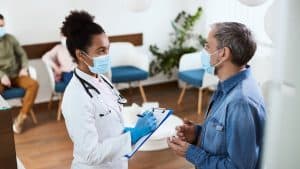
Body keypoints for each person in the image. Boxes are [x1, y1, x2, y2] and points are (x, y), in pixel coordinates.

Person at [61, 11, 157, 169]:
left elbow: (109, 119)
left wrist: (127, 130)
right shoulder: (75, 97)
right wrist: (131, 137)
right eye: (101, 51)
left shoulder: (102, 79)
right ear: (80, 55)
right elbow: (90, 154)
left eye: (108, 49)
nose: (107, 55)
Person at [167, 22, 266, 169]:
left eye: (207, 46)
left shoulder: (240, 103)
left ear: (223, 54)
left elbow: (238, 167)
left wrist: (191, 153)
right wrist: (198, 133)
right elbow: (227, 136)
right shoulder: (226, 86)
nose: (204, 51)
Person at [0, 14, 39, 134]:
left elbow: (22, 54)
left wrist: (24, 67)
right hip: (1, 77)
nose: (2, 28)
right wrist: (1, 75)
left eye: (3, 25)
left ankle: (20, 119)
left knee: (33, 84)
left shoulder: (10, 38)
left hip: (16, 75)